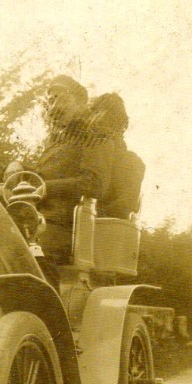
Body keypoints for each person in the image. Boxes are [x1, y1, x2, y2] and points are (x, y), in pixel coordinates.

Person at [15, 75, 115, 261]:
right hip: (38, 222)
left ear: (80, 102)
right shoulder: (56, 141)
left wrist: (47, 188)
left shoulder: (97, 138)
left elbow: (95, 184)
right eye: (50, 100)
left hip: (66, 228)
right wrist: (19, 166)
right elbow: (44, 175)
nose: (54, 106)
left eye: (60, 98)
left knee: (25, 256)